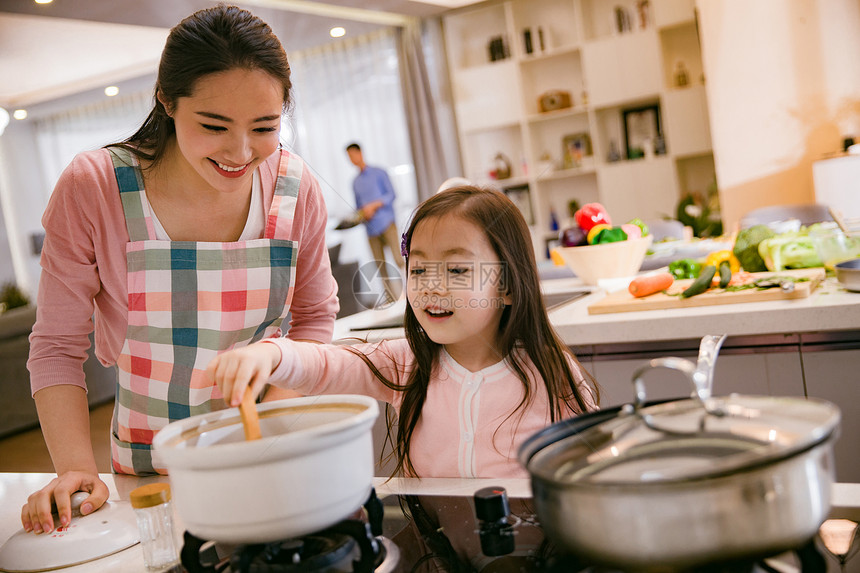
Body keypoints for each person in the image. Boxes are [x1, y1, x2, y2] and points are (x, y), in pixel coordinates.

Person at [21, 4, 339, 534]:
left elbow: (314, 319)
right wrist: (76, 470)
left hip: (270, 458)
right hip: (151, 475)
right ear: (166, 100)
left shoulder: (295, 187)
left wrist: (274, 424)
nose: (241, 152)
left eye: (264, 127)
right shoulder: (95, 187)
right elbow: (55, 348)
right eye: (214, 126)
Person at [208, 185, 599, 480]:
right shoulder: (403, 364)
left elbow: (593, 475)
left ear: (508, 286)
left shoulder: (550, 372)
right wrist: (273, 355)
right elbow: (328, 364)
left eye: (458, 270)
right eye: (418, 269)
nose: (430, 286)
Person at [345, 142, 405, 303]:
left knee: (399, 260)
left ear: (360, 153)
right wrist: (361, 213)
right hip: (370, 229)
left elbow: (391, 195)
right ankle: (391, 300)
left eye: (353, 154)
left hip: (386, 222)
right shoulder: (355, 182)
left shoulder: (379, 173)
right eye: (349, 157)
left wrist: (374, 205)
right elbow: (358, 206)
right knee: (380, 266)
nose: (352, 159)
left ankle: (409, 293)